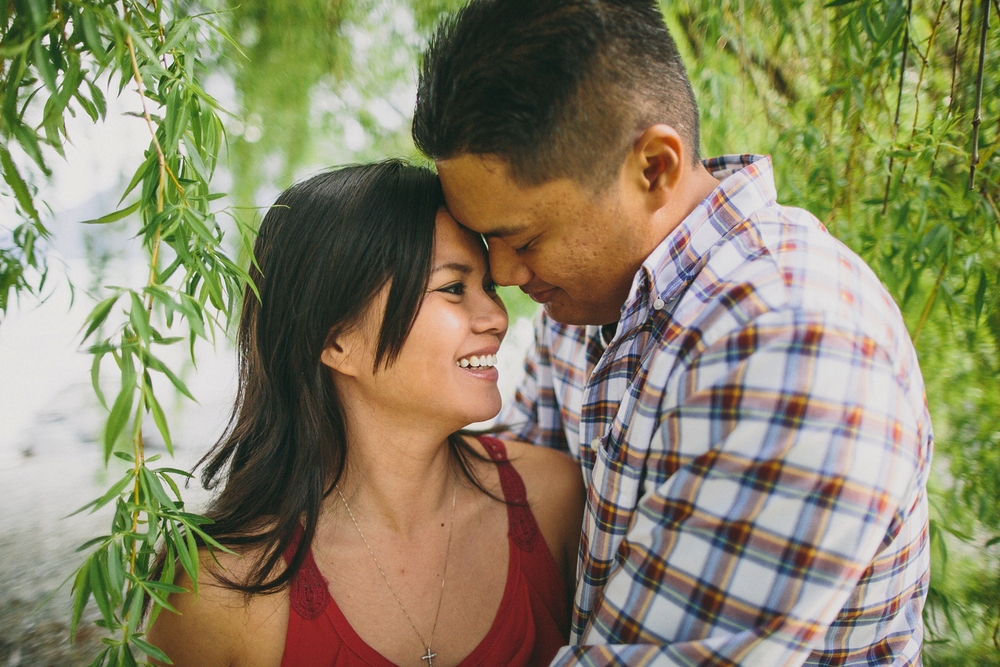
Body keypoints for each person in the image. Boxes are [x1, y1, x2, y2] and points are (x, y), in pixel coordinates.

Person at [412, 1, 932, 665]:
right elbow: (510, 530)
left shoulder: (793, 342)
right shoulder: (581, 313)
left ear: (654, 166)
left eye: (525, 239)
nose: (506, 276)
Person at [145, 160, 586, 667]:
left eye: (488, 287)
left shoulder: (553, 499)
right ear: (336, 340)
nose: (496, 317)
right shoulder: (220, 587)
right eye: (452, 288)